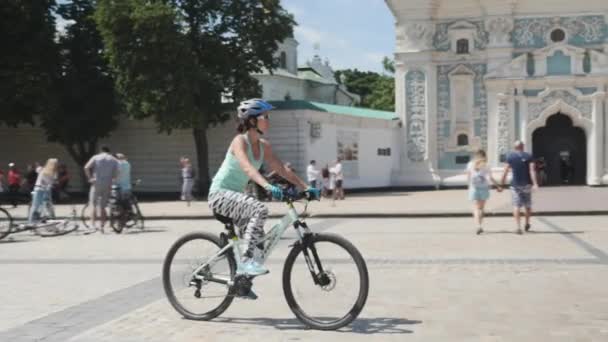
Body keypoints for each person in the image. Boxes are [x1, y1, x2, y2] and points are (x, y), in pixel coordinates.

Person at [208, 98, 320, 297]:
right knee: (259, 209)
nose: (268, 120)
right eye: (265, 117)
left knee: (259, 244)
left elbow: (281, 169)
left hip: (236, 198)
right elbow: (247, 167)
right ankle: (247, 261)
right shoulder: (239, 141)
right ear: (252, 121)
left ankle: (241, 284)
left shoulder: (264, 146)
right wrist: (267, 185)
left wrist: (306, 187)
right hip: (220, 195)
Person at [501, 140, 539, 235]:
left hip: (515, 185)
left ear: (514, 147)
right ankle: (527, 223)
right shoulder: (528, 156)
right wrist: (535, 183)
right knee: (527, 205)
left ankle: (518, 227)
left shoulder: (510, 157)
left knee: (516, 205)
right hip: (527, 184)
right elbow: (532, 171)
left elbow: (505, 171)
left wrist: (501, 184)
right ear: (523, 146)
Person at [466, 150, 502, 235]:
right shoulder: (486, 165)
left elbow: (468, 176)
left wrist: (469, 186)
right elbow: (491, 178)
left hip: (474, 188)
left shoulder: (470, 164)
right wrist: (498, 186)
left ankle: (478, 226)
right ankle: (480, 225)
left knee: (475, 208)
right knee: (481, 208)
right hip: (484, 188)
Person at [84, 146, 119, 232]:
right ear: (109, 152)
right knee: (103, 206)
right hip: (107, 184)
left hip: (96, 183)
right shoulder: (114, 160)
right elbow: (117, 172)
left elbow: (86, 167)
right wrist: (112, 180)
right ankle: (102, 226)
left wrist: (90, 178)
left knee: (93, 204)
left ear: (101, 151)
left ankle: (92, 225)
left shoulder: (96, 157)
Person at [28, 158, 58, 225]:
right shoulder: (46, 171)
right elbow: (51, 182)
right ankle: (31, 223)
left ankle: (46, 220)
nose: (56, 166)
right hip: (40, 190)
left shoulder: (44, 170)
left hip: (44, 190)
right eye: (55, 164)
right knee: (37, 206)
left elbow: (37, 169)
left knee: (43, 206)